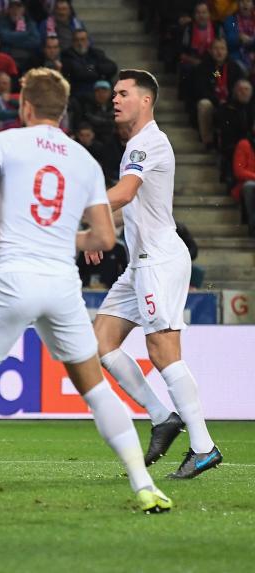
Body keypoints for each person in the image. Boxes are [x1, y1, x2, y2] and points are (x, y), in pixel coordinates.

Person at [0, 68, 171, 517]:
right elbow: (102, 238)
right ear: (62, 113)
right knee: (97, 391)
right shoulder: (83, 159)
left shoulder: (2, 143)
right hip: (61, 284)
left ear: (24, 106)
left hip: (12, 278)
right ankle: (144, 486)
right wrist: (66, 239)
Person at [86, 70, 222, 479]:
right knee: (102, 341)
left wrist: (81, 210)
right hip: (139, 262)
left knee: (163, 352)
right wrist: (97, 229)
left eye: (123, 93)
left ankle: (203, 447)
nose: (115, 99)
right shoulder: (135, 146)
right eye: (114, 94)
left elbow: (124, 193)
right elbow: (130, 205)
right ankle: (163, 417)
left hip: (158, 259)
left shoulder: (150, 142)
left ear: (145, 100)